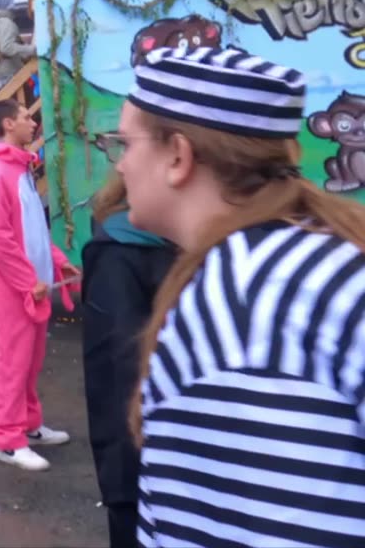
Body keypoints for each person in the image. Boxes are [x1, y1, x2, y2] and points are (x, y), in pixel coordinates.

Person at [115, 45, 365, 545]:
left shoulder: (242, 315)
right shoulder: (311, 255)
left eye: (125, 144)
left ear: (178, 157)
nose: (120, 167)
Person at [0, 99, 79, 471]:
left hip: (29, 287)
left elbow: (32, 229)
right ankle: (7, 438)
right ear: (7, 124)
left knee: (29, 363)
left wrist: (58, 263)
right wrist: (27, 279)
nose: (32, 123)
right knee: (10, 364)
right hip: (10, 292)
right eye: (25, 117)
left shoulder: (16, 169)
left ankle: (29, 426)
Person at [78, 175, 175, 548]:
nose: (122, 161)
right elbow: (117, 376)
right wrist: (122, 487)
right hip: (147, 478)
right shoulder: (122, 251)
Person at [0, 0, 35, 92]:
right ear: (3, 1)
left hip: (2, 74)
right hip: (11, 74)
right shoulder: (4, 22)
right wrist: (32, 49)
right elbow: (7, 47)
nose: (13, 2)